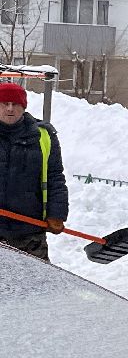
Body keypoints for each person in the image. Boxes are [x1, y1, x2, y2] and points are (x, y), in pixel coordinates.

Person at [0, 81, 68, 261]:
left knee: (36, 286)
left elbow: (55, 177)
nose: (9, 109)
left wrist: (57, 214)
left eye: (15, 104)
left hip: (29, 231)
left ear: (23, 107)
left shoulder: (43, 136)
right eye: (4, 104)